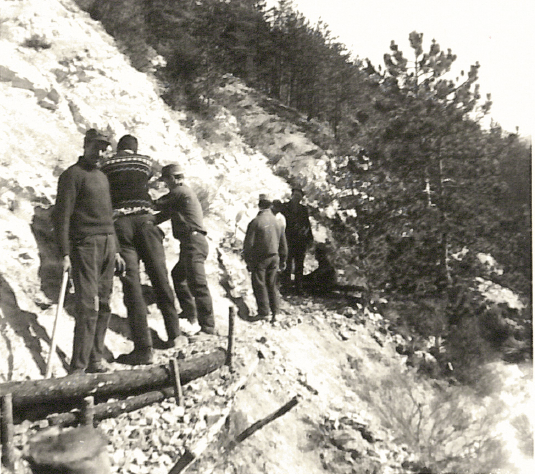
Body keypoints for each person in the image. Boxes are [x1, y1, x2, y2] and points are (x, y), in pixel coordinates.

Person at [101, 135, 185, 366]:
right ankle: (175, 335)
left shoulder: (106, 164)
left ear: (119, 148)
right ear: (135, 149)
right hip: (146, 223)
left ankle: (143, 349)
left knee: (132, 286)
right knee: (160, 277)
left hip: (120, 225)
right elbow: (153, 176)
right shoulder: (144, 161)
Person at [52, 128, 124, 374]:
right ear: (85, 145)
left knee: (104, 304)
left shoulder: (103, 177)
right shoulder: (72, 175)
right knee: (87, 306)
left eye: (105, 148)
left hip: (107, 245)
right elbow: (62, 218)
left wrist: (115, 250)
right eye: (97, 146)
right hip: (85, 245)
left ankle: (95, 359)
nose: (101, 152)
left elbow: (108, 216)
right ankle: (78, 367)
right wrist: (64, 253)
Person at [154, 164, 216, 336]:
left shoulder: (180, 192)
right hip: (191, 242)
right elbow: (163, 215)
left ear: (173, 178)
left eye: (166, 181)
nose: (166, 184)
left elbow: (157, 205)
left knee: (198, 284)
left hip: (193, 242)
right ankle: (189, 313)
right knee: (178, 276)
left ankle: (208, 327)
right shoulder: (181, 197)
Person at [243, 194, 288, 322]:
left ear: (260, 204)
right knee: (272, 284)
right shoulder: (278, 222)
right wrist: (283, 260)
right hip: (274, 257)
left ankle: (264, 312)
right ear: (271, 205)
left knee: (260, 284)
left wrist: (248, 260)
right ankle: (276, 312)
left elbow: (248, 245)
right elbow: (283, 244)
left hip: (260, 258)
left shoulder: (256, 222)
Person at [280, 187, 314, 294]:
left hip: (300, 241)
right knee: (287, 264)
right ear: (291, 196)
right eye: (295, 196)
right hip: (288, 240)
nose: (296, 198)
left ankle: (299, 288)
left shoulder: (303, 209)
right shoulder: (284, 207)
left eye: (299, 197)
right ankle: (286, 286)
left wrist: (309, 238)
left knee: (299, 265)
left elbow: (307, 224)